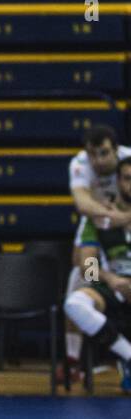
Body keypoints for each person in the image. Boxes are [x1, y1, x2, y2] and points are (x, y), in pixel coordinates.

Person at [62, 126, 131, 382]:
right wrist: (107, 278)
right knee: (75, 297)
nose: (98, 161)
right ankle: (75, 361)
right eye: (125, 178)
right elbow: (87, 267)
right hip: (115, 287)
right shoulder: (97, 220)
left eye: (104, 154)